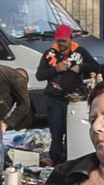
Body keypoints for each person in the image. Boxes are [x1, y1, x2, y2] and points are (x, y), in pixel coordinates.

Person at [35, 24, 98, 166]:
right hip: (54, 99)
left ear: (70, 38)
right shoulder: (49, 53)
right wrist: (56, 69)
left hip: (74, 100)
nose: (61, 44)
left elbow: (95, 66)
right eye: (59, 41)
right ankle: (57, 162)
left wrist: (80, 67)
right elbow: (39, 75)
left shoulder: (80, 52)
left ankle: (72, 159)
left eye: (64, 40)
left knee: (73, 132)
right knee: (56, 133)